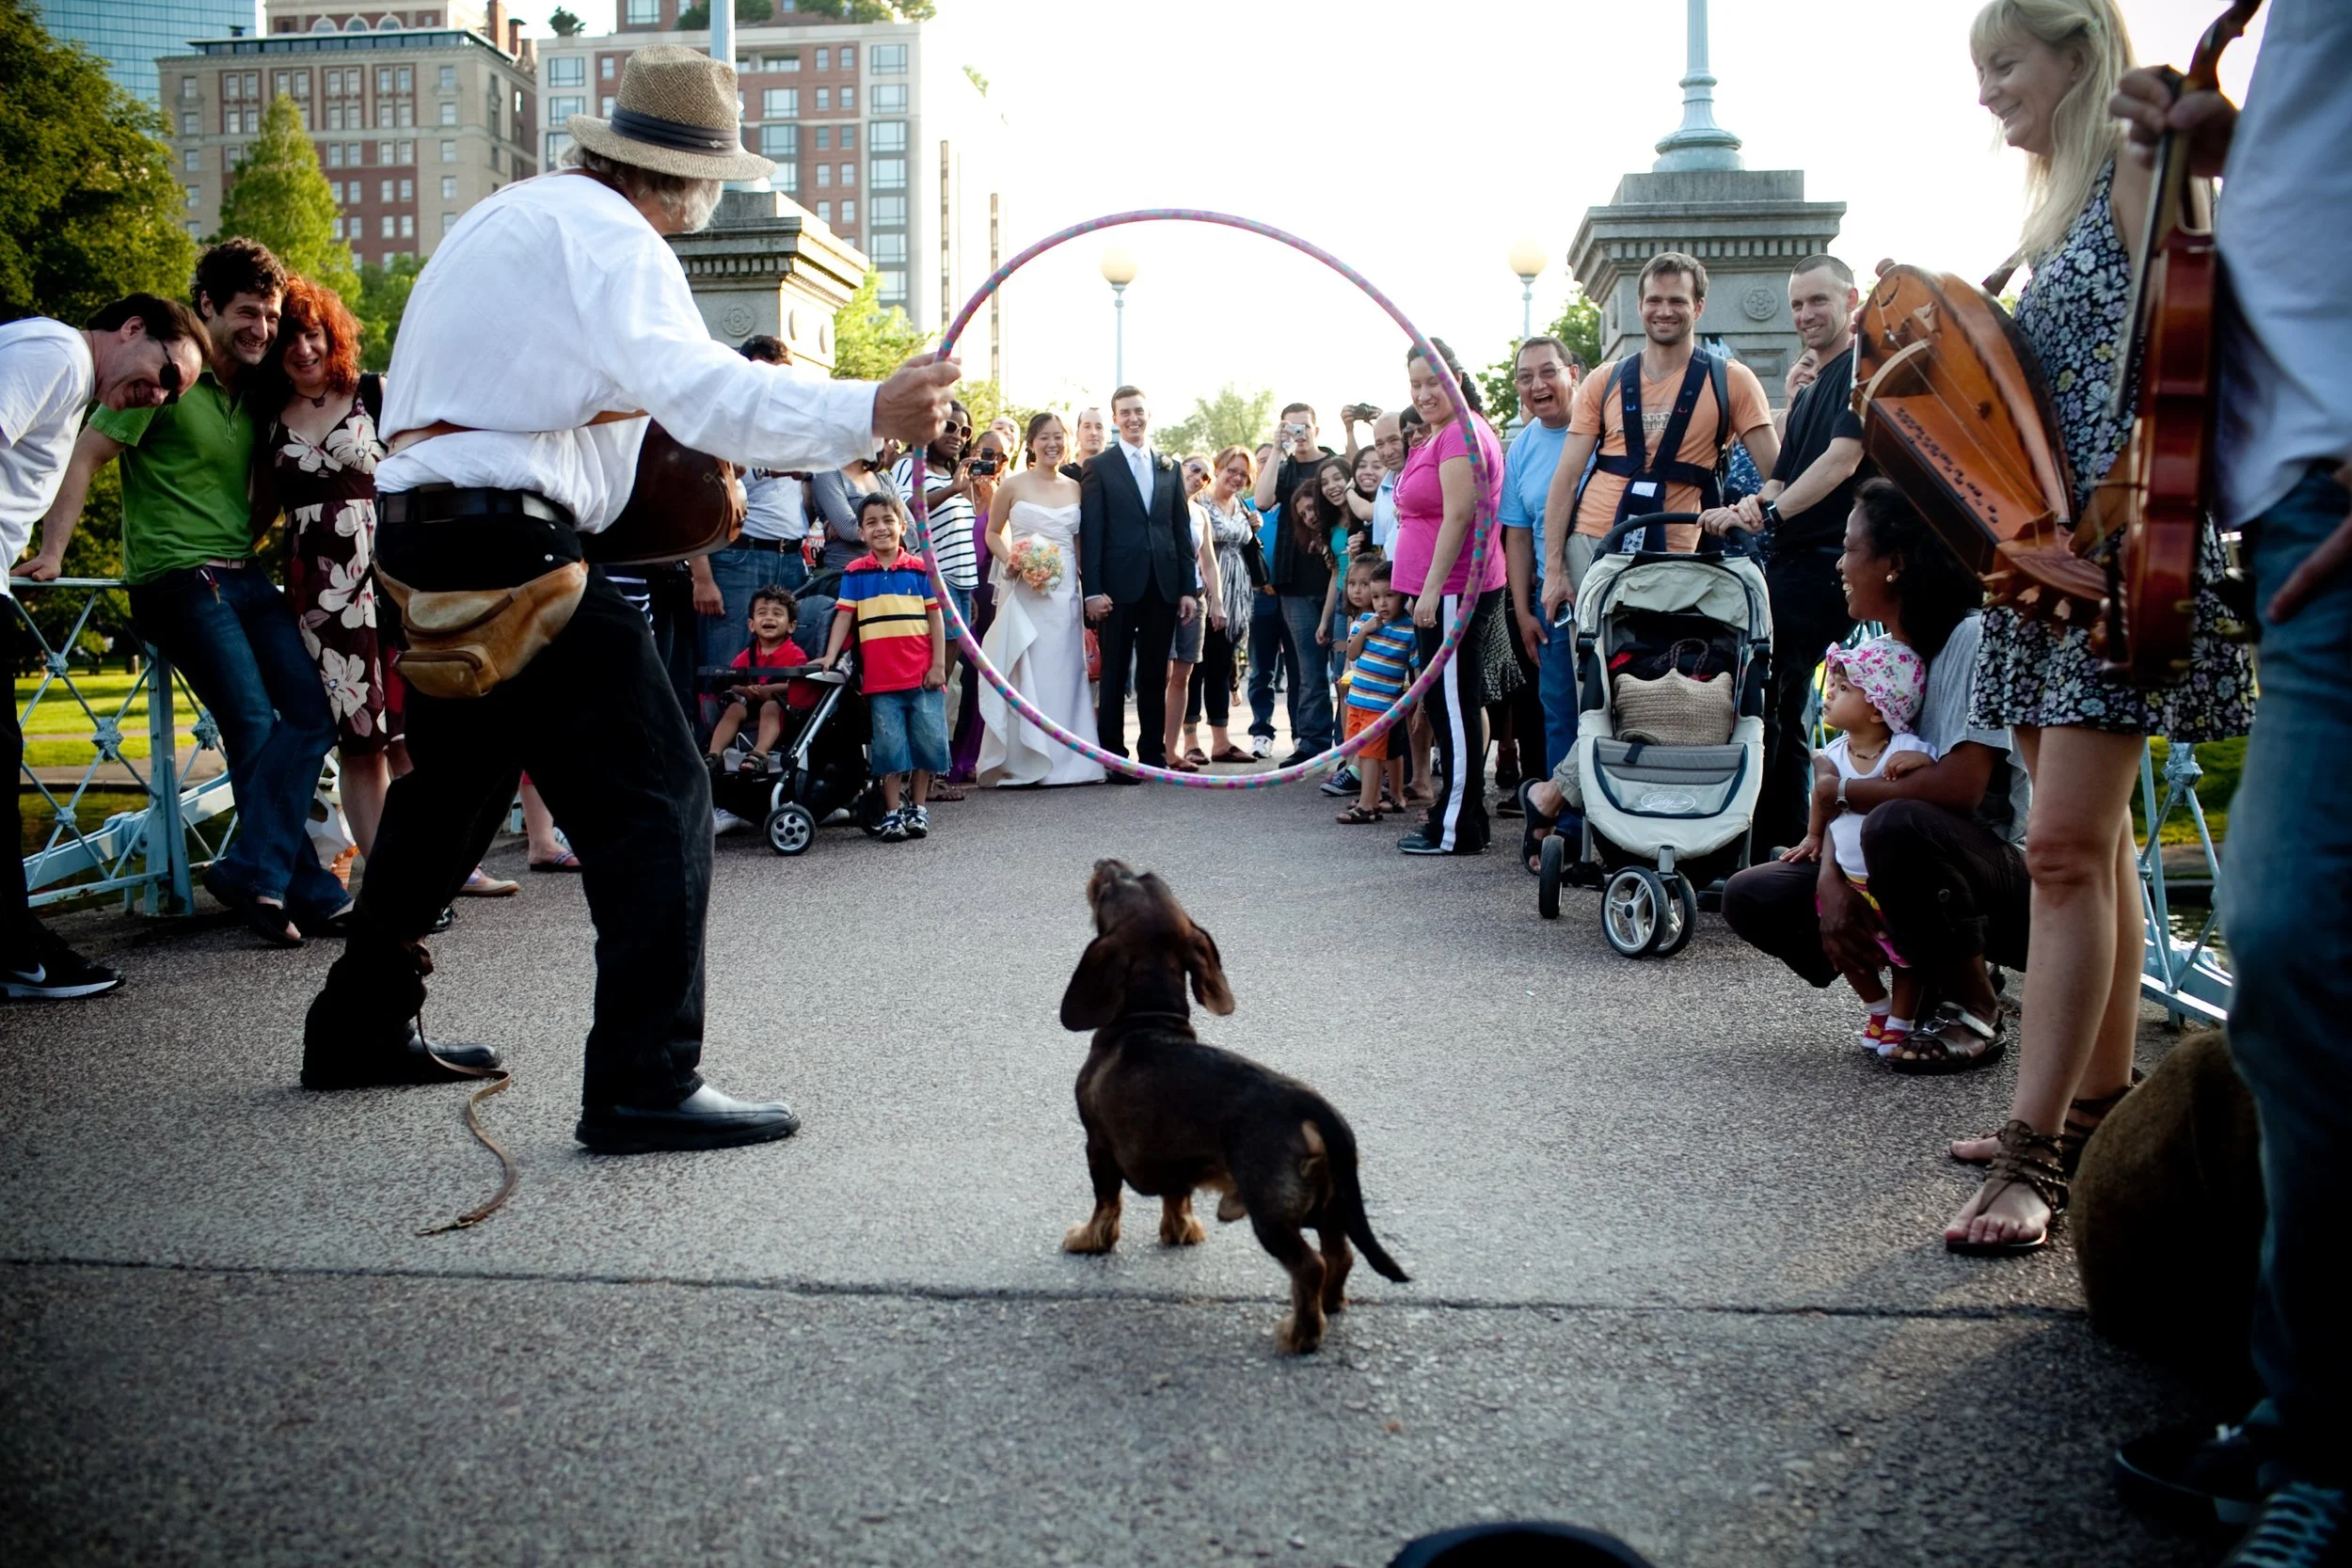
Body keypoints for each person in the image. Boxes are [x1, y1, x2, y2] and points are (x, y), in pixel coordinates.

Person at [300, 46, 959, 1149]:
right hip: (509, 543)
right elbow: (704, 391)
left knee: (452, 794)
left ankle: (357, 1021)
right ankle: (645, 1079)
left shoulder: (514, 216)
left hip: (423, 536)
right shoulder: (616, 238)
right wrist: (870, 407)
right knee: (661, 798)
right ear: (688, 180)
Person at [1937, 0, 2252, 1257]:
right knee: (2096, 848)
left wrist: (2180, 164)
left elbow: (2191, 338)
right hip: (2050, 558)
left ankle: (2040, 1157)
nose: (1987, 92)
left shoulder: (2129, 160)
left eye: (2004, 65)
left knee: (2063, 850)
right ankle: (2096, 1102)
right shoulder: (2050, 204)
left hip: (2119, 551)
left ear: (2078, 54)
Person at [2105, 12, 2352, 1560]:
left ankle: (2324, 1428)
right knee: (2299, 967)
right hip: (2281, 507)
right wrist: (2220, 161)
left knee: (2301, 945)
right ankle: (2304, 1403)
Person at [37, 240, 350, 950]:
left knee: (314, 710)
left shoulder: (258, 393)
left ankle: (255, 869)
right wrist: (54, 550)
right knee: (250, 718)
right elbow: (87, 453)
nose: (262, 329)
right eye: (247, 312)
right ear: (205, 305)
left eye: (269, 316)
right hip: (177, 579)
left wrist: (248, 531)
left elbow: (265, 493)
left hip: (241, 574)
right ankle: (303, 886)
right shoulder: (166, 379)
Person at [1710, 480, 2031, 1069]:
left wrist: (1844, 792)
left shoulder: (1970, 638)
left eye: (1849, 548)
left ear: (1895, 564)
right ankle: (1924, 976)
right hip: (1900, 856)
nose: (1838, 563)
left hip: (1997, 878)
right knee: (1752, 895)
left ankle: (1977, 1009)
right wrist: (1833, 877)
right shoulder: (1887, 652)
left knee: (1896, 823)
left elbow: (1960, 790)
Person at [4, 293, 207, 1001]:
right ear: (130, 329)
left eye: (170, 394)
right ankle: (19, 954)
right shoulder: (57, 353)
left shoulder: (67, 381)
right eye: (161, 374)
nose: (156, 395)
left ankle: (18, 950)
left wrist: (46, 548)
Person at [1704, 257, 1869, 853]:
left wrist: (1768, 513)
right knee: (1775, 701)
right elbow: (1781, 478)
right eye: (1797, 304)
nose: (1805, 315)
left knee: (1776, 700)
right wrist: (1744, 509)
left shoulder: (1860, 369)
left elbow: (1842, 462)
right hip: (1791, 560)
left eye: (1818, 301)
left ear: (1851, 298)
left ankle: (1780, 842)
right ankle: (1774, 839)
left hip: (1829, 563)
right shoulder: (1816, 382)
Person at [245, 276, 404, 866]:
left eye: (311, 335)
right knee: (360, 739)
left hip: (390, 580)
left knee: (411, 736)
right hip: (319, 592)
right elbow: (260, 508)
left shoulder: (376, 394)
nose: (302, 350)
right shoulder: (267, 417)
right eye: (289, 341)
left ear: (331, 336)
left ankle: (444, 870)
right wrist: (227, 553)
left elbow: (421, 473)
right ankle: (387, 880)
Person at [1538, 253, 1778, 627]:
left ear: (1698, 307)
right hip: (1592, 543)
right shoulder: (1604, 380)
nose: (1664, 311)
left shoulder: (1731, 380)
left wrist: (1743, 510)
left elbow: (1776, 476)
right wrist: (1554, 569)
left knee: (1661, 678)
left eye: (1677, 301)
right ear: (1639, 306)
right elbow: (1565, 479)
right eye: (1654, 300)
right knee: (1593, 678)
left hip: (1676, 556)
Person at [1779, 636, 1934, 1054]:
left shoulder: (1902, 749)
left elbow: (1932, 773)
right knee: (1850, 953)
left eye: (1844, 689)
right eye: (1833, 685)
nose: (1829, 692)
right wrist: (1813, 835)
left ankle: (1901, 1020)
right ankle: (1877, 1008)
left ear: (1879, 708)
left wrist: (1923, 762)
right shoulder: (1835, 751)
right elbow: (1823, 800)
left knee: (1906, 957)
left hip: (1893, 884)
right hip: (1851, 880)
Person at [1392, 337, 1508, 856]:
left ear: (1455, 380)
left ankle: (1457, 826)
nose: (1423, 393)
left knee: (1454, 709)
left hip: (1453, 592)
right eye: (1415, 384)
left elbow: (1461, 515)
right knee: (1445, 707)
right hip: (1437, 592)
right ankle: (1461, 815)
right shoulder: (1442, 434)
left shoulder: (1461, 434)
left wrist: (1434, 588)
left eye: (1432, 381)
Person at [978, 412, 1104, 787]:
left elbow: (1080, 545)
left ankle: (1072, 760)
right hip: (1024, 589)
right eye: (1044, 438)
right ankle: (1025, 757)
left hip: (1064, 593)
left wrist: (1090, 589)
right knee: (1026, 666)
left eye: (1058, 437)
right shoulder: (1013, 486)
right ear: (1031, 444)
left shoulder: (1075, 487)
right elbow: (992, 533)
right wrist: (1013, 561)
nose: (1052, 444)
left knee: (1064, 669)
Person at [1078, 385, 1198, 779]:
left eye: (1139, 411)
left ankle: (1152, 754)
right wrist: (1092, 590)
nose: (1133, 418)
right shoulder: (1101, 466)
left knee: (1153, 672)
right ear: (1115, 419)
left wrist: (1187, 588)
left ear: (1148, 415)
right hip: (1116, 585)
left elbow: (1180, 530)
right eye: (1125, 412)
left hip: (1162, 584)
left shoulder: (1170, 466)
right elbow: (1093, 532)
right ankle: (1113, 755)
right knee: (1114, 671)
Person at [819, 492, 948, 841]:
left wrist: (938, 665)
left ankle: (918, 808)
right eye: (871, 522)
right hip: (881, 681)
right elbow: (844, 617)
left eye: (888, 520)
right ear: (860, 532)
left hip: (923, 677)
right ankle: (892, 812)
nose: (881, 528)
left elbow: (936, 620)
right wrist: (830, 656)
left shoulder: (921, 569)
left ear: (902, 526)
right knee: (889, 748)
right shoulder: (855, 573)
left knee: (926, 743)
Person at [1499, 336, 1584, 784]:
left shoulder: (1603, 428)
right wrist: (1524, 610)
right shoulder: (1522, 448)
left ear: (1572, 374)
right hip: (1549, 600)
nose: (1538, 385)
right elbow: (1515, 534)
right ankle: (1565, 827)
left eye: (1548, 371)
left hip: (1606, 585)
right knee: (1560, 710)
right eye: (1526, 377)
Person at [701, 335, 812, 674]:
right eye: (769, 374)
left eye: (784, 376)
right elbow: (699, 505)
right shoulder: (722, 422)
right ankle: (719, 729)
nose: (777, 385)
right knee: (728, 660)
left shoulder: (792, 424)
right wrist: (702, 577)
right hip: (740, 557)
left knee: (788, 662)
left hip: (792, 556)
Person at [1253, 404, 1341, 767]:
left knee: (1344, 669)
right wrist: (1276, 449)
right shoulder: (1284, 468)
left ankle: (1347, 745)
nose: (1299, 435)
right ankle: (1312, 744)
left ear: (1317, 429)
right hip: (1294, 584)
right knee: (1307, 670)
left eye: (1304, 427)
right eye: (1292, 428)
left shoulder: (1333, 466)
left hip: (1337, 579)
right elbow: (1261, 500)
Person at [943, 420, 1010, 787]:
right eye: (987, 454)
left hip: (990, 591)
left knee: (981, 675)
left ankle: (973, 756)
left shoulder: (1003, 493)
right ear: (972, 453)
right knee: (955, 675)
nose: (993, 462)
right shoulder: (953, 491)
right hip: (959, 589)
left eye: (1001, 457)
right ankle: (946, 757)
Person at [1334, 560, 1415, 826]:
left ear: (1403, 595)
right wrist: (1365, 631)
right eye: (1377, 596)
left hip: (1382, 706)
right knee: (1362, 751)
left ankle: (1367, 805)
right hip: (1357, 700)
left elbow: (1419, 670)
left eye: (1389, 596)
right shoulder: (1364, 622)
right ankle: (1369, 798)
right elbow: (1353, 653)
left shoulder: (1408, 631)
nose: (1382, 603)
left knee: (1372, 753)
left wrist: (1418, 707)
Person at [1159, 452, 1224, 771]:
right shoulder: (1157, 503)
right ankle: (1153, 747)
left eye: (1206, 477)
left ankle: (1172, 751)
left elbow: (1209, 561)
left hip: (1195, 599)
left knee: (1183, 676)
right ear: (1180, 467)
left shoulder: (1200, 513)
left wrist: (1218, 602)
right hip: (1162, 597)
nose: (1199, 477)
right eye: (1195, 469)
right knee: (1160, 672)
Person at [705, 584, 800, 773]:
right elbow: (733, 680)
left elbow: (798, 685)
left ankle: (760, 753)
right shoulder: (747, 655)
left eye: (777, 614)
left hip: (780, 707)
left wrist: (771, 690)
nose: (769, 618)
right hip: (750, 703)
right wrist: (744, 690)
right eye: (762, 613)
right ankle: (713, 754)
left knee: (770, 707)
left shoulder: (795, 655)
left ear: (791, 626)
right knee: (734, 708)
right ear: (751, 624)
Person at [808, 452, 899, 573]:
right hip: (847, 573)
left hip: (890, 572)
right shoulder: (828, 474)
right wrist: (892, 526)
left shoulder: (885, 479)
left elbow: (911, 532)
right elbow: (849, 531)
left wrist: (858, 523)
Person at [1060, 404, 1106, 481]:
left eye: (1099, 427)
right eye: (1087, 427)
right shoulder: (1063, 476)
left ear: (1108, 434)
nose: (1093, 432)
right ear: (1078, 433)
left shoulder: (1117, 475)